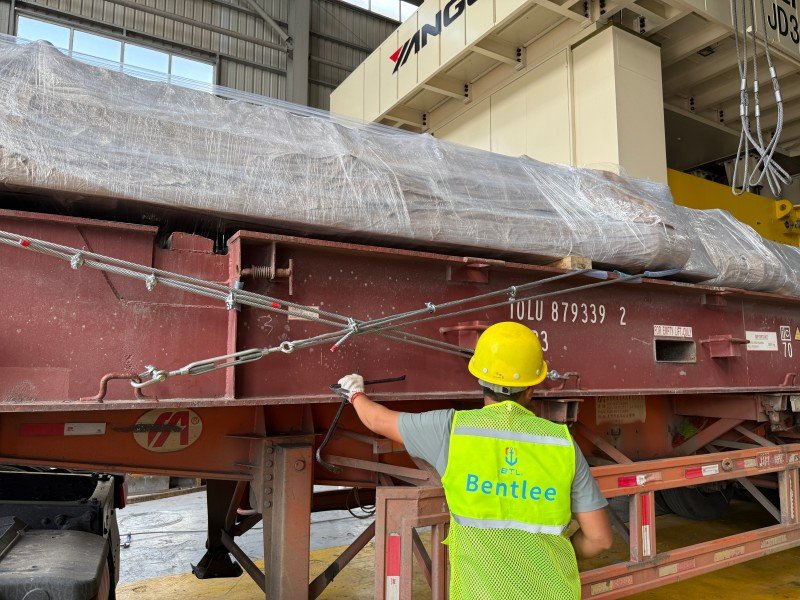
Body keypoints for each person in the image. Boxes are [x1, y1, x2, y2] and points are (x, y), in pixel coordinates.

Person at [337, 321, 613, 599]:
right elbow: (600, 539)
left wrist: (356, 393)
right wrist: (555, 550)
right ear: (532, 386)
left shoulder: (451, 430)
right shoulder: (560, 443)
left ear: (480, 379)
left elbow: (376, 419)